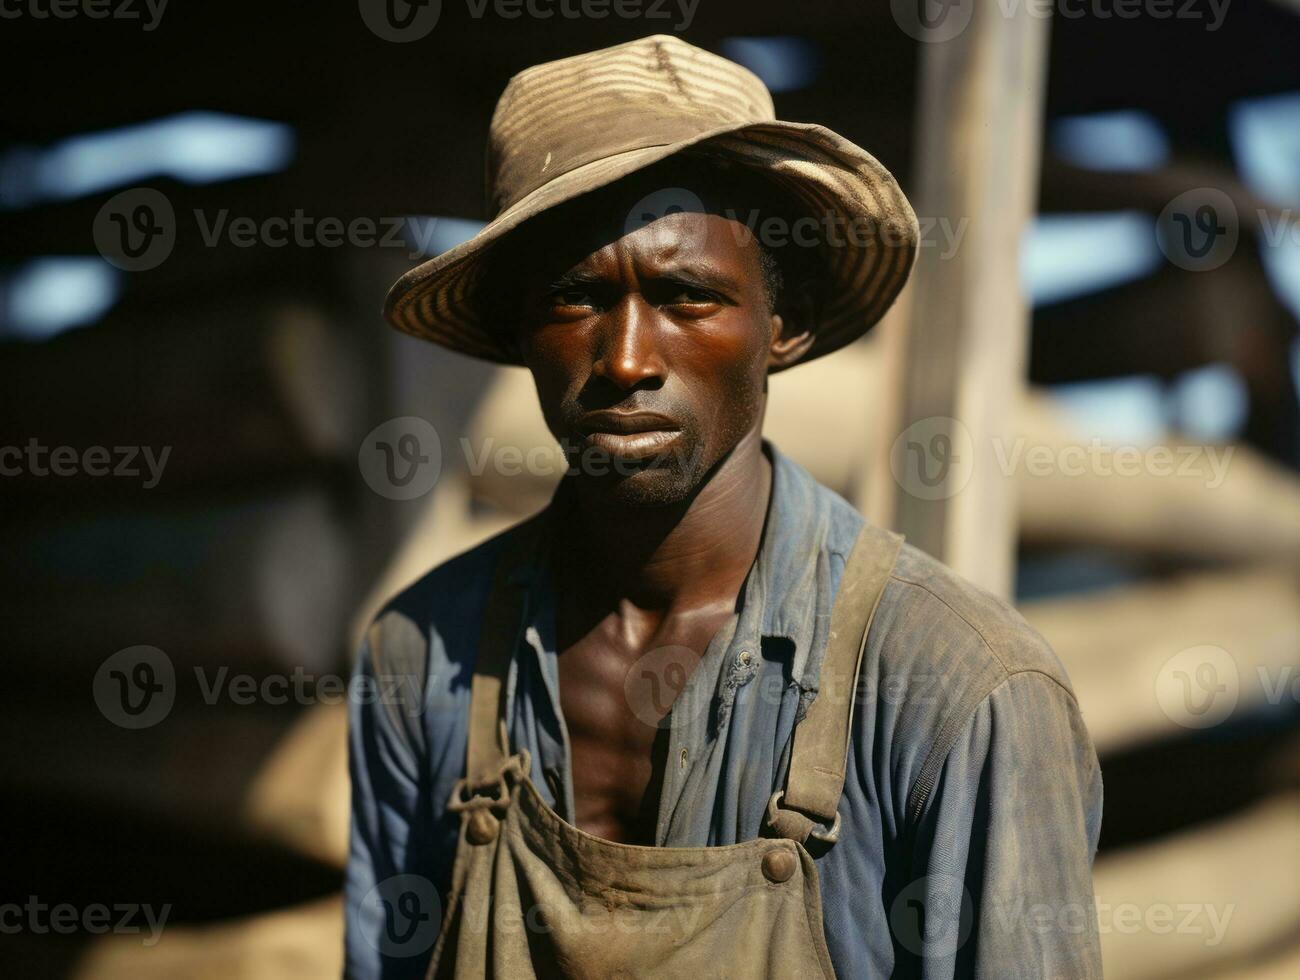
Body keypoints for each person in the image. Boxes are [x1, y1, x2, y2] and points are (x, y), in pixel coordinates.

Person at [345, 34, 1103, 979]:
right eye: (575, 298)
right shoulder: (424, 655)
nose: (626, 359)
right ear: (516, 332)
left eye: (685, 296)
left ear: (782, 327)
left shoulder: (961, 689)